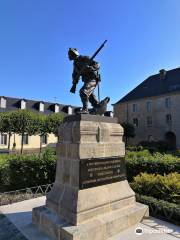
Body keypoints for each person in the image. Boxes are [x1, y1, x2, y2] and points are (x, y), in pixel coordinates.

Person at [68, 48, 101, 114]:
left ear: (73, 54)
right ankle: (97, 106)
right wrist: (74, 83)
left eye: (69, 55)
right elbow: (75, 75)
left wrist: (91, 68)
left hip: (93, 78)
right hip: (86, 80)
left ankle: (85, 109)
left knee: (83, 91)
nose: (68, 56)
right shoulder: (75, 64)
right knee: (90, 96)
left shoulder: (84, 58)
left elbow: (98, 64)